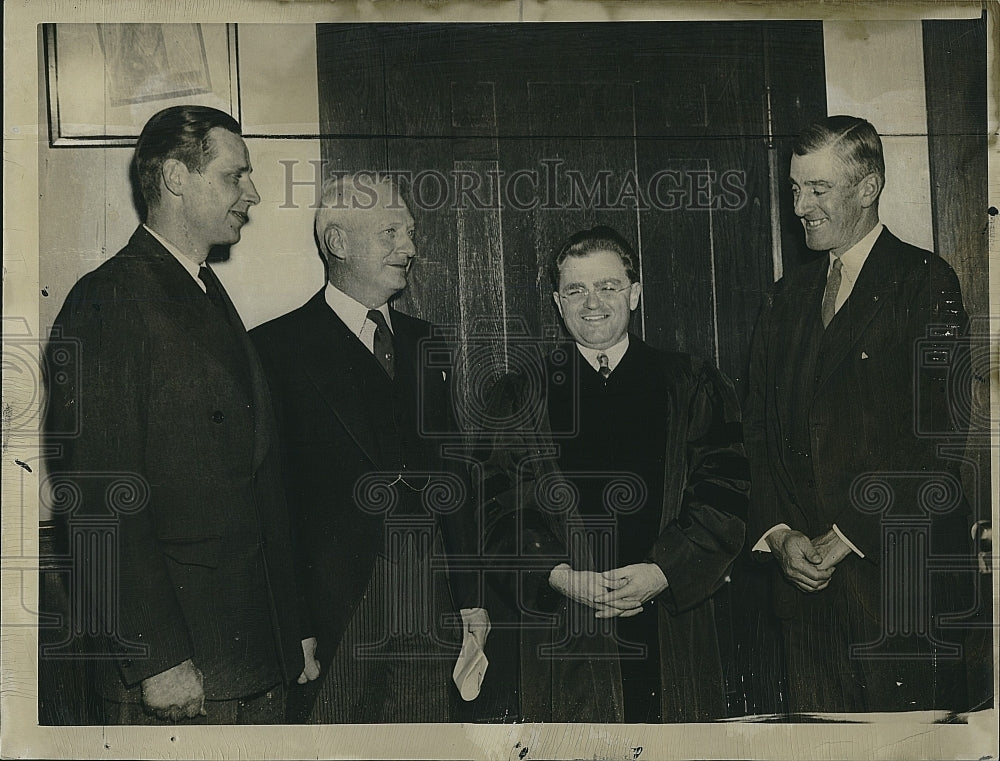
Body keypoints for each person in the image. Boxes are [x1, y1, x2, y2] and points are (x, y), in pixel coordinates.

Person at [43, 105, 318, 724]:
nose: (252, 193)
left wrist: (292, 626)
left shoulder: (200, 288)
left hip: (246, 655)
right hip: (178, 672)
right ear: (174, 177)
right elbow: (98, 497)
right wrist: (156, 659)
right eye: (234, 176)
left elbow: (256, 478)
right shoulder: (110, 299)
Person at [746, 115, 973, 713]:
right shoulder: (783, 297)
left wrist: (847, 535)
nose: (801, 206)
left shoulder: (925, 282)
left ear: (868, 188)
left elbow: (939, 439)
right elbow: (758, 433)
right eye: (795, 188)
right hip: (804, 595)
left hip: (898, 585)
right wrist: (780, 533)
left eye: (818, 189)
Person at [476, 225, 749, 722]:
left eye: (608, 286)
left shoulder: (689, 384)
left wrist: (662, 571)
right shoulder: (521, 396)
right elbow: (498, 506)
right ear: (558, 303)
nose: (592, 303)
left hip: (671, 617)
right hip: (566, 623)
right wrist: (557, 576)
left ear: (636, 293)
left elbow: (724, 490)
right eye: (576, 290)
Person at [251, 174, 487, 723]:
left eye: (409, 232)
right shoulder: (274, 348)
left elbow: (454, 476)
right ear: (337, 243)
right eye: (390, 233)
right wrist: (296, 625)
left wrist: (472, 599)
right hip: (336, 611)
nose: (409, 247)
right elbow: (273, 500)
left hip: (427, 602)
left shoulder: (425, 342)